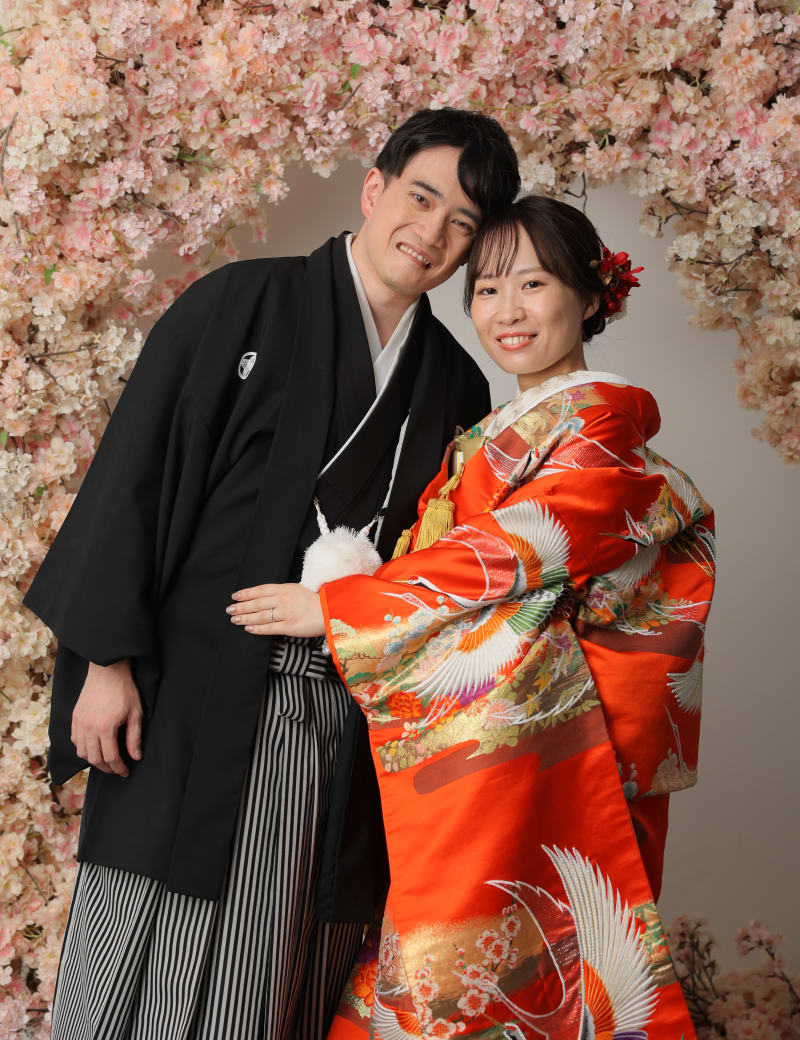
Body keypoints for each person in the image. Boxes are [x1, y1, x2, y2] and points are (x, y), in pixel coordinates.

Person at [22, 108, 522, 1040]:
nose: (432, 233)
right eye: (421, 199)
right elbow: (134, 473)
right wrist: (105, 662)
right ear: (374, 189)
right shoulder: (239, 303)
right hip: (188, 697)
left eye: (462, 223)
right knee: (139, 952)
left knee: (275, 970)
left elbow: (445, 573)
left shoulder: (457, 384)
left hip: (336, 725)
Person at [234, 194, 716, 1038]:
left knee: (506, 968)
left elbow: (524, 546)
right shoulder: (501, 428)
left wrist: (344, 604)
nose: (507, 312)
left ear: (591, 296)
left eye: (533, 284)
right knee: (473, 969)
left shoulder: (600, 427)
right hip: (497, 739)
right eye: (487, 290)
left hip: (559, 739)